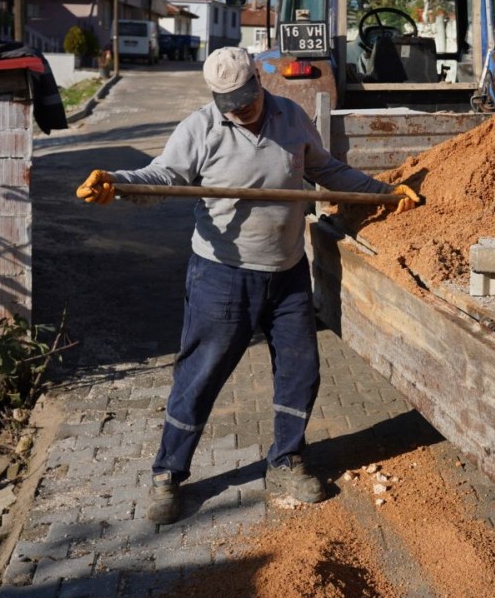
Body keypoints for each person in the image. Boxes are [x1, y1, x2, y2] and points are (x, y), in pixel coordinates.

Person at [75, 47, 420, 524]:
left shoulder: (291, 116)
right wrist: (119, 182)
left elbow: (326, 170)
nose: (240, 109)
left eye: (245, 98)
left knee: (301, 371)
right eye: (229, 104)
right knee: (200, 376)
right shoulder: (200, 128)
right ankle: (168, 474)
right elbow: (164, 176)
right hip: (221, 275)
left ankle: (285, 461)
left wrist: (383, 192)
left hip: (288, 272)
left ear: (260, 81)